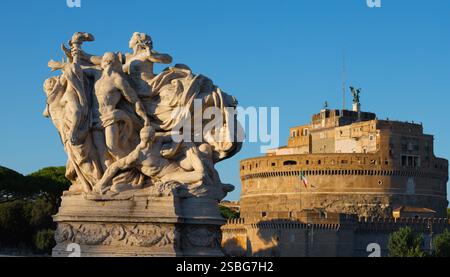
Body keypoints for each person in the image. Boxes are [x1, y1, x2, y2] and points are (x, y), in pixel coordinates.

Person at [94, 126, 205, 194]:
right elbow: (115, 166)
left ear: (152, 137)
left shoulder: (158, 140)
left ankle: (202, 174)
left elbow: (179, 135)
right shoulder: (137, 155)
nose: (147, 143)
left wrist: (172, 149)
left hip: (180, 165)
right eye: (144, 140)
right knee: (200, 175)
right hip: (168, 177)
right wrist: (101, 183)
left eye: (149, 140)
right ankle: (201, 177)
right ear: (141, 138)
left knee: (191, 146)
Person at [94, 52, 150, 160]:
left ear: (111, 62)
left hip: (111, 117)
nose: (104, 62)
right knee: (101, 151)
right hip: (96, 118)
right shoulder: (98, 78)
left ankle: (131, 167)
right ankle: (114, 173)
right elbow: (79, 68)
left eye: (106, 59)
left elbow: (134, 99)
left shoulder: (117, 79)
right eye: (104, 59)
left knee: (112, 147)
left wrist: (144, 117)